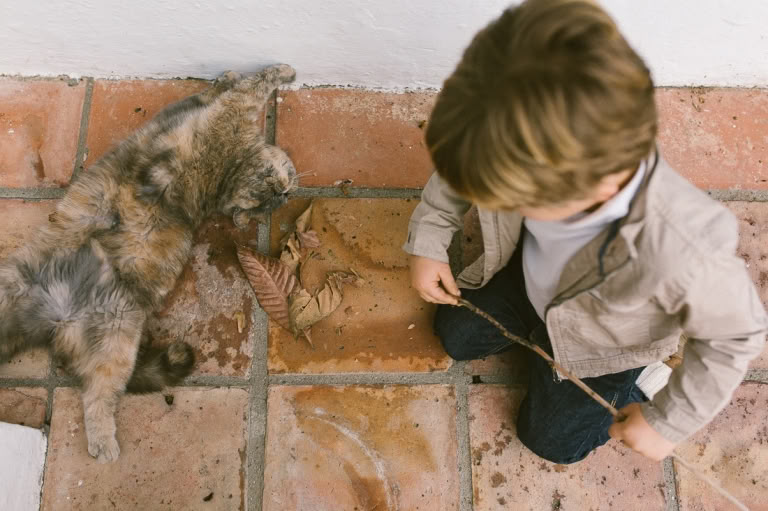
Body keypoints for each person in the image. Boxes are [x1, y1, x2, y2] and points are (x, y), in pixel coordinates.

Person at [403, 0, 767, 464]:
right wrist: (431, 236)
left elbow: (736, 335)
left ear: (596, 182)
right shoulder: (530, 141)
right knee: (456, 334)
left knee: (553, 442)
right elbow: (462, 169)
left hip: (606, 346)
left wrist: (667, 422)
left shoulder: (684, 246)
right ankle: (538, 340)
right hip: (529, 280)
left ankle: (639, 381)